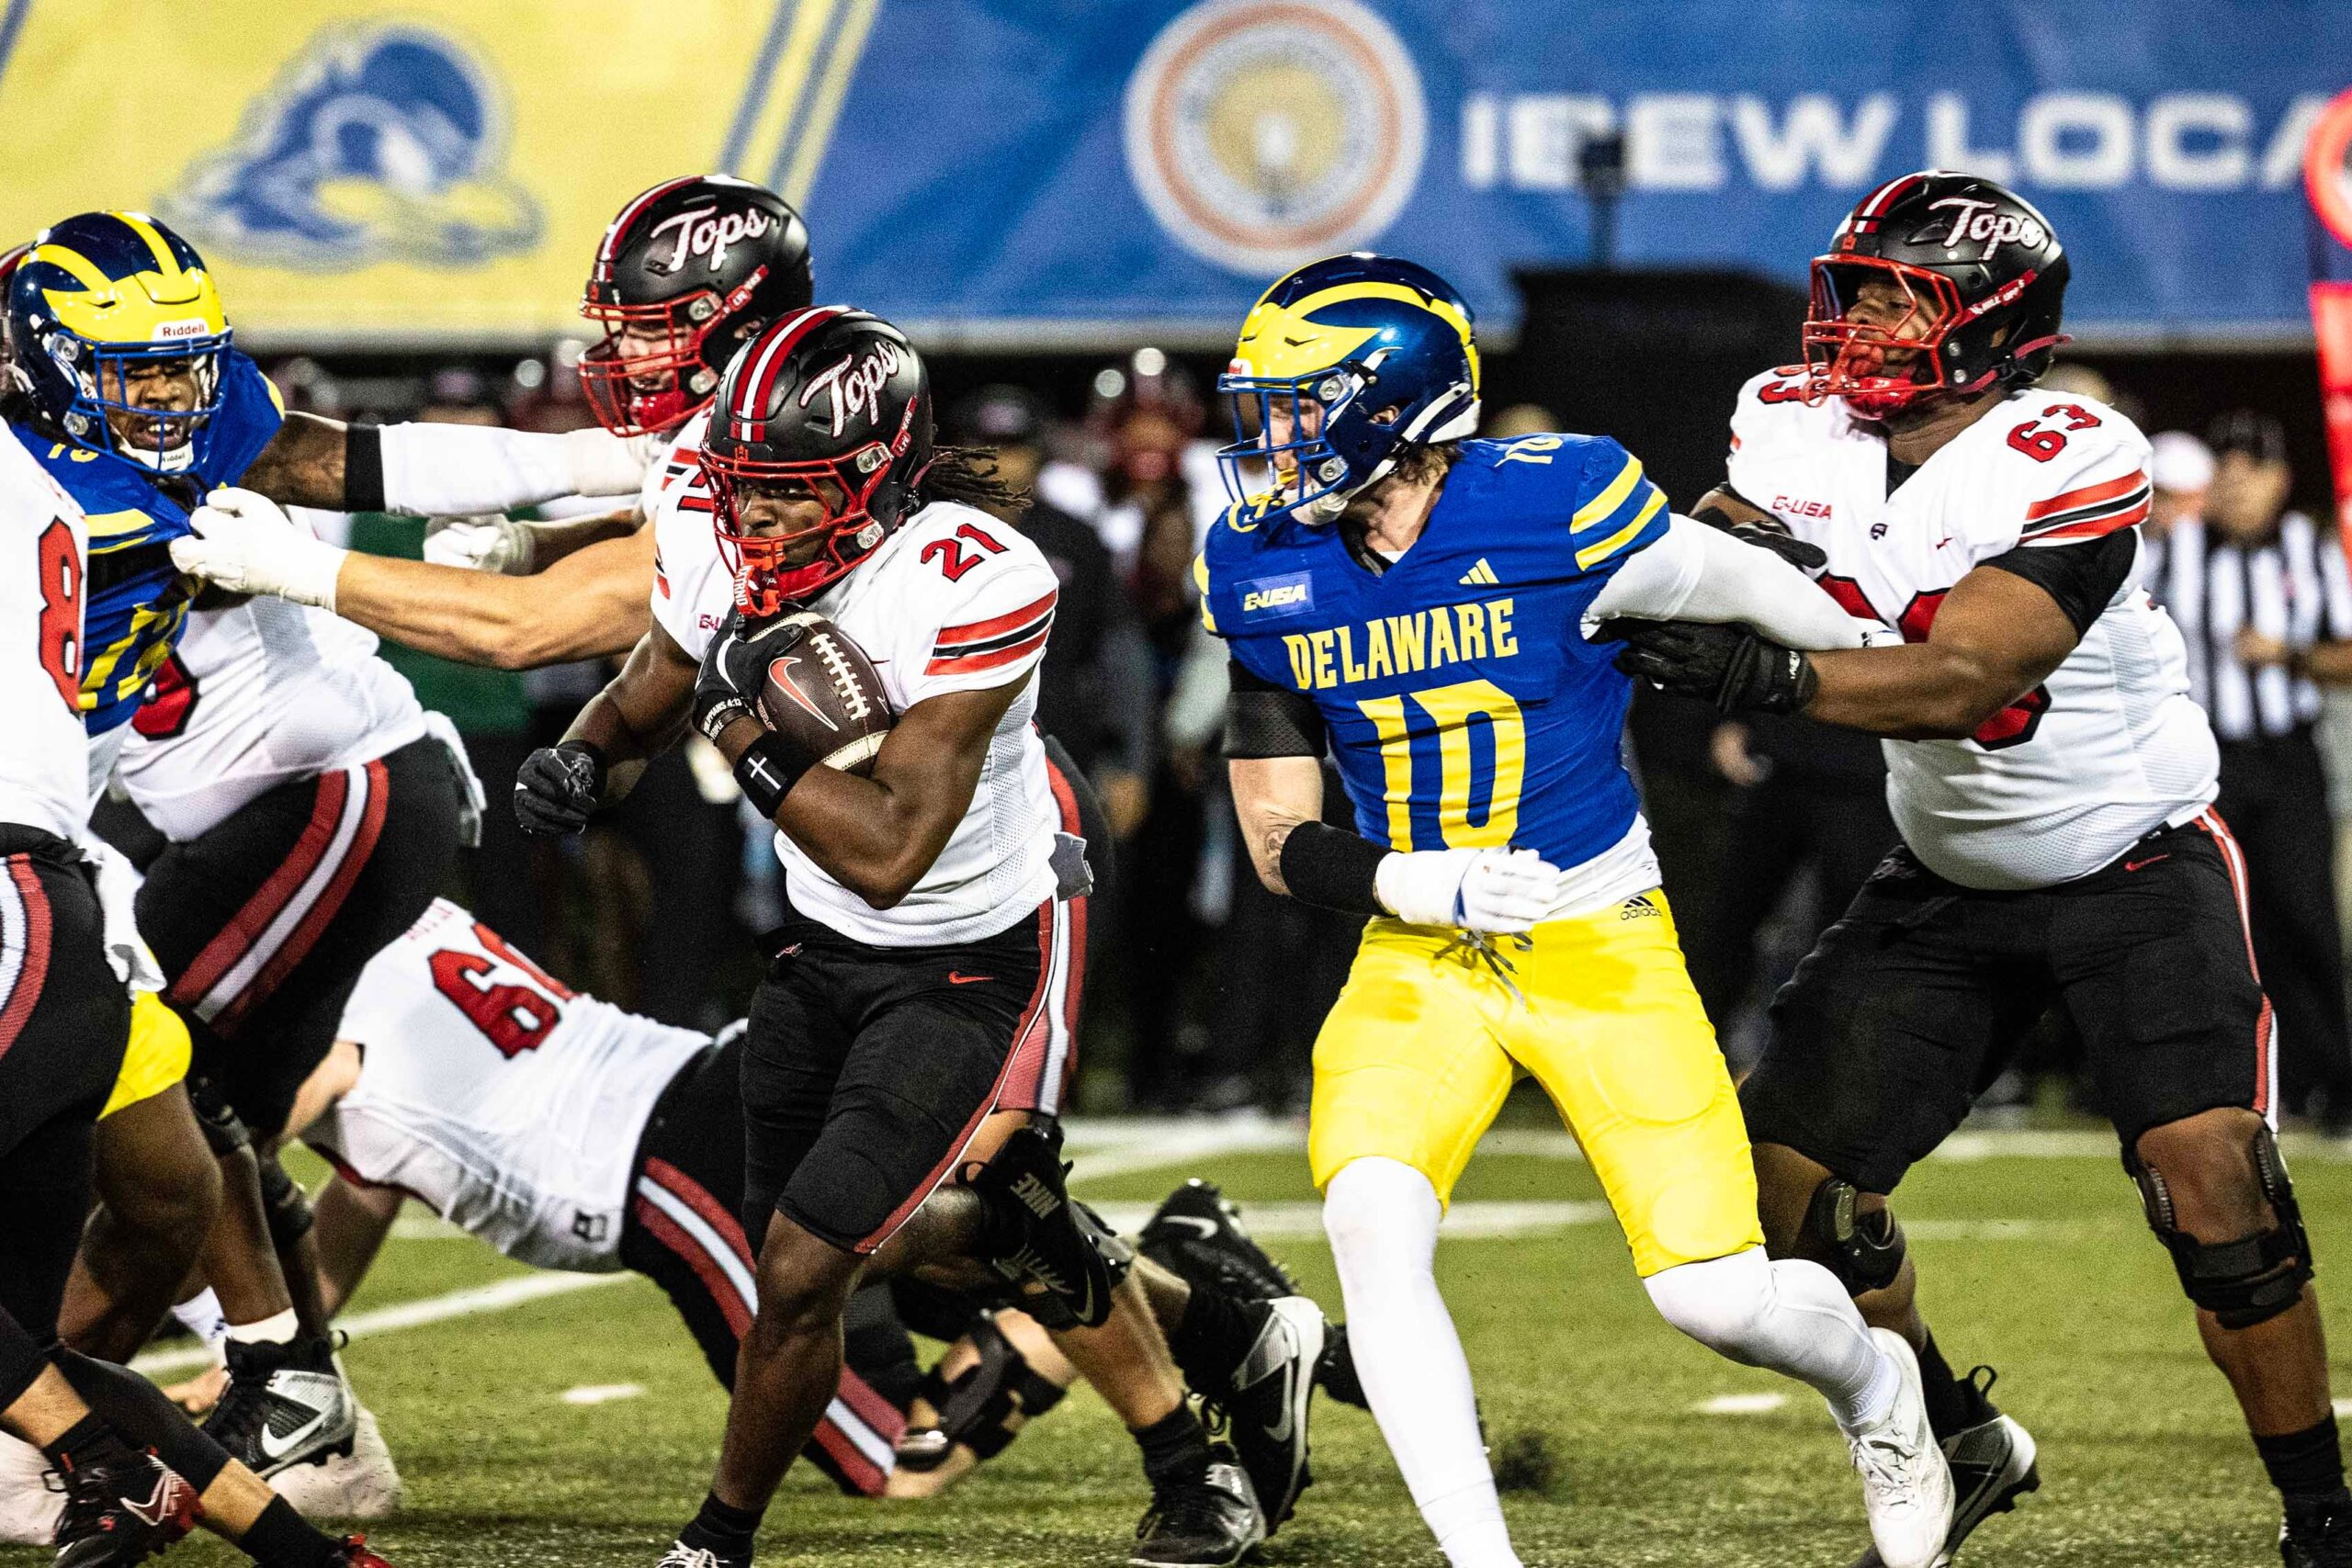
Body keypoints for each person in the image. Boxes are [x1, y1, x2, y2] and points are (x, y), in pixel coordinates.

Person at [1610, 170, 2350, 1567]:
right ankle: (1953, 1426)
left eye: (1910, 296)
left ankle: (2321, 1508)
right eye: (1863, 290)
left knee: (2215, 1182)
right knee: (1783, 1187)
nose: (1871, 321)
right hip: (1948, 871)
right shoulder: (1790, 423)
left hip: (2133, 865)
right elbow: (1701, 556)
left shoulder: (2071, 452)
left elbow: (1964, 675)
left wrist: (1767, 671)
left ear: (1999, 325)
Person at [513, 306, 1316, 1568]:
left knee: (820, 1247)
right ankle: (1147, 1270)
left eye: (785, 492)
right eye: (742, 486)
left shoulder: (982, 575)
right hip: (821, 950)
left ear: (868, 480)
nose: (753, 517)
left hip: (975, 939)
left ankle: (1181, 1462)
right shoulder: (724, 537)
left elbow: (893, 851)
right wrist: (586, 754)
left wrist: (741, 731)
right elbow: (657, 678)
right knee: (856, 1246)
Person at [1205, 253, 1953, 1568]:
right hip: (1418, 951)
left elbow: (1748, 589)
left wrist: (1857, 663)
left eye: (1300, 404)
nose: (1272, 438)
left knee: (1715, 1296)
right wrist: (1411, 881)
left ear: (1394, 407)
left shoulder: (1557, 501)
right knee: (1372, 1223)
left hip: (1595, 940)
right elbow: (1276, 841)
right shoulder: (1261, 561)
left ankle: (1880, 1390)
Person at [0, 419, 392, 1568]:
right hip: (72, 910)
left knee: (144, 1233)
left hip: (21, 899)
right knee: (39, 1347)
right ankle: (307, 1554)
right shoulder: (73, 494)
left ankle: (111, 1468)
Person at [2140, 412, 2352, 1129]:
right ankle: (2223, 1083)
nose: (2236, 483)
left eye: (2250, 469)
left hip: (2287, 754)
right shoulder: (2170, 551)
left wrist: (2286, 654)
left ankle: (2331, 1081)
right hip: (2205, 759)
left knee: (2305, 916)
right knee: (2212, 923)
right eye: (2224, 469)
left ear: (2279, 480)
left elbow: (2349, 655)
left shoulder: (2310, 549)